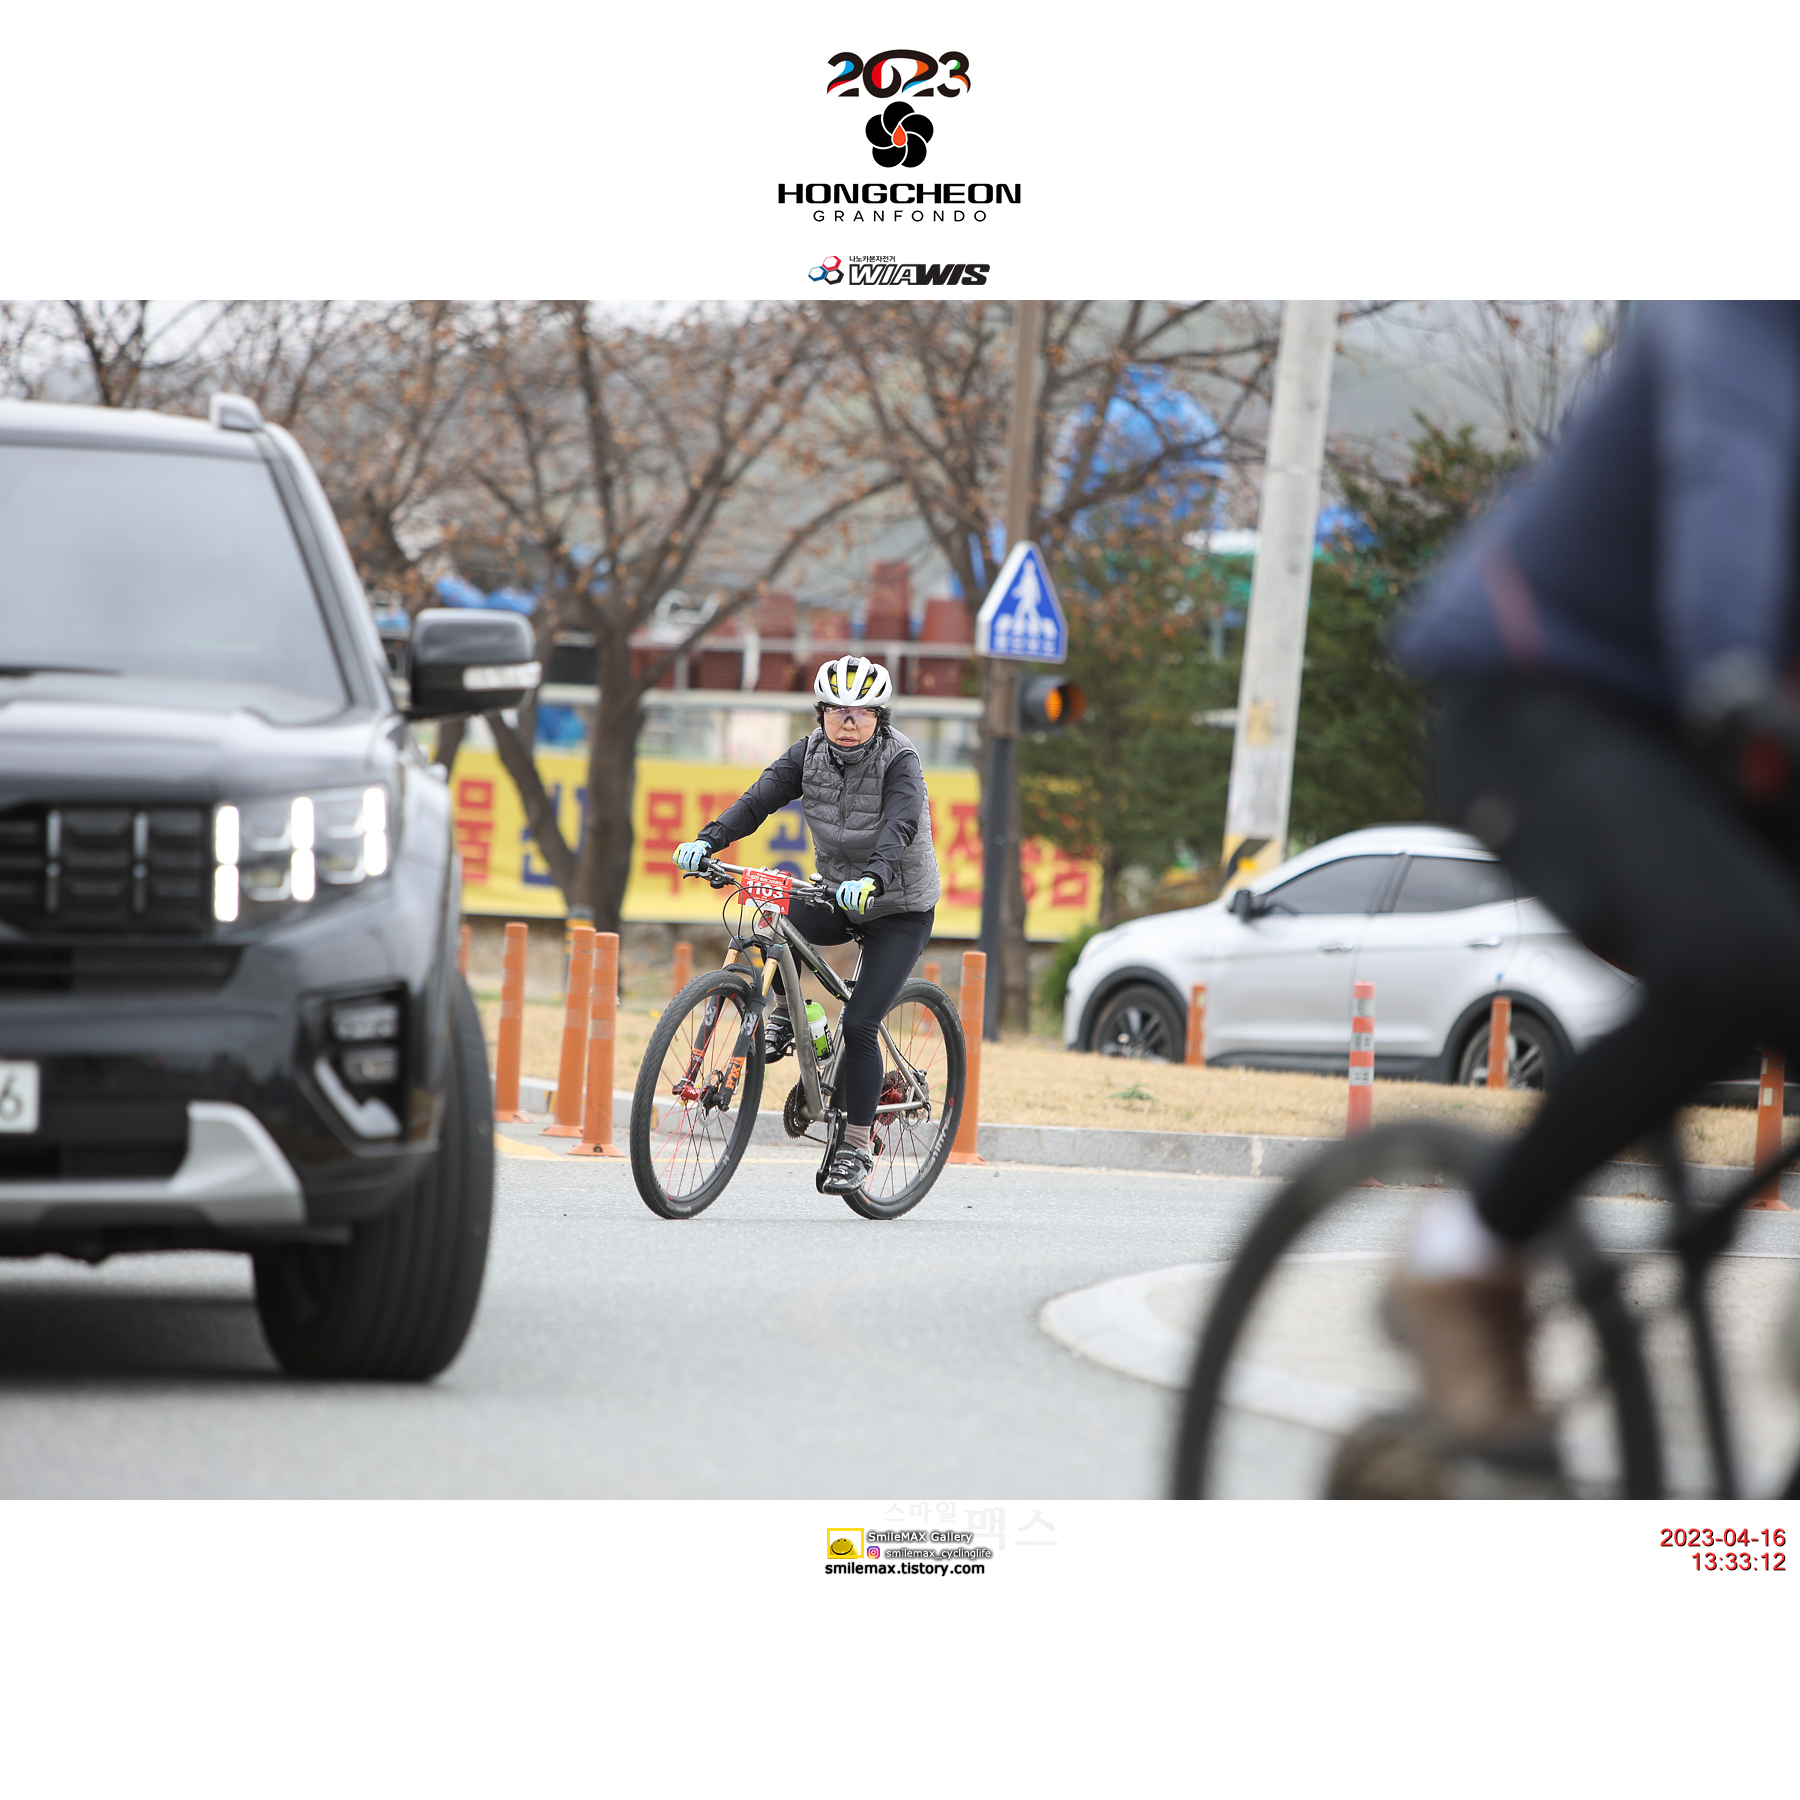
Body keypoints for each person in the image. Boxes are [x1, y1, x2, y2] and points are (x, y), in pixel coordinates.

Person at [1385, 301, 1800, 1466]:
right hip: (1546, 692)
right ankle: (1464, 1256)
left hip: (1730, 735)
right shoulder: (1744, 312)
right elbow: (1726, 472)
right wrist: (1728, 665)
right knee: (1738, 964)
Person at [670, 654, 941, 1195]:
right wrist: (708, 840)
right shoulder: (809, 753)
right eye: (836, 710)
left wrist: (875, 877)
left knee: (860, 1024)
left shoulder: (900, 760)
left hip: (897, 907)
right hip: (835, 893)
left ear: (879, 717)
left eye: (861, 712)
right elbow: (758, 800)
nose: (848, 721)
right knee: (775, 919)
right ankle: (791, 1019)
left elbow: (902, 825)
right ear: (820, 714)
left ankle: (856, 1143)